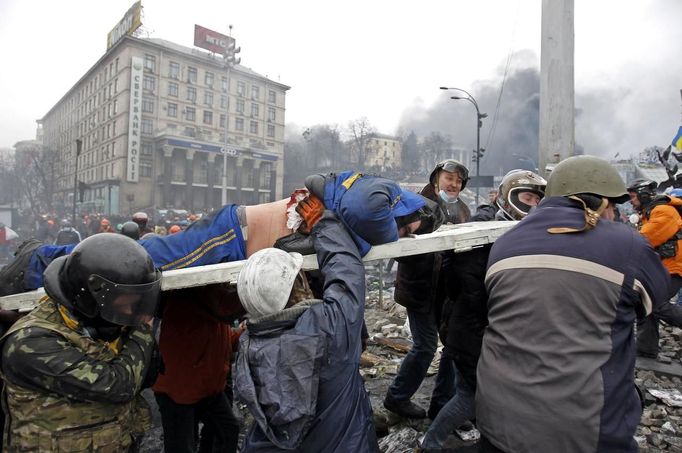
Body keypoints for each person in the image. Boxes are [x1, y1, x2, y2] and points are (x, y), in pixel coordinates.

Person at [475, 156, 671, 453]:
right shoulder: (627, 244)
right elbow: (653, 302)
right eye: (614, 205)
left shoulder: (504, 243)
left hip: (495, 422)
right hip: (582, 433)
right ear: (601, 203)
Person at [234, 204, 379, 452]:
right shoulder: (331, 326)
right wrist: (324, 222)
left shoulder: (248, 346)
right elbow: (346, 271)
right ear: (299, 282)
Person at [420, 169, 546, 451]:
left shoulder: (510, 231)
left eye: (538, 200)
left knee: (467, 389)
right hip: (471, 329)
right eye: (527, 197)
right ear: (507, 197)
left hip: (474, 329)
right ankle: (432, 441)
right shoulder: (481, 232)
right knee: (471, 394)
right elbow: (469, 287)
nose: (532, 206)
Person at [0, 233, 162, 451]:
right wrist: (143, 328)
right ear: (89, 300)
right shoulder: (31, 342)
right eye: (125, 306)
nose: (130, 313)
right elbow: (117, 385)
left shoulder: (107, 326)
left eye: (136, 306)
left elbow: (148, 375)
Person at [384, 159, 470, 420]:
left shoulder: (464, 210)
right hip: (420, 288)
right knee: (425, 346)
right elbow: (398, 246)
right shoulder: (415, 203)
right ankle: (396, 398)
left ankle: (440, 405)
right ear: (436, 179)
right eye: (449, 178)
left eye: (458, 181)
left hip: (447, 291)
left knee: (452, 347)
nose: (453, 184)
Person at [153, 284, 243, 453]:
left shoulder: (211, 302)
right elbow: (226, 308)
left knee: (227, 431)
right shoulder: (191, 292)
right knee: (182, 447)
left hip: (206, 388)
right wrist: (258, 295)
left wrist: (241, 334)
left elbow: (219, 340)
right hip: (177, 392)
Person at [627, 178, 682, 357]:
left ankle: (646, 348)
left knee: (656, 303)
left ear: (643, 195)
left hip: (675, 267)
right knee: (647, 302)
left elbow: (645, 239)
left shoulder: (663, 211)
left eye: (633, 197)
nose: (631, 201)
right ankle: (646, 348)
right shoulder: (650, 213)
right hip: (666, 266)